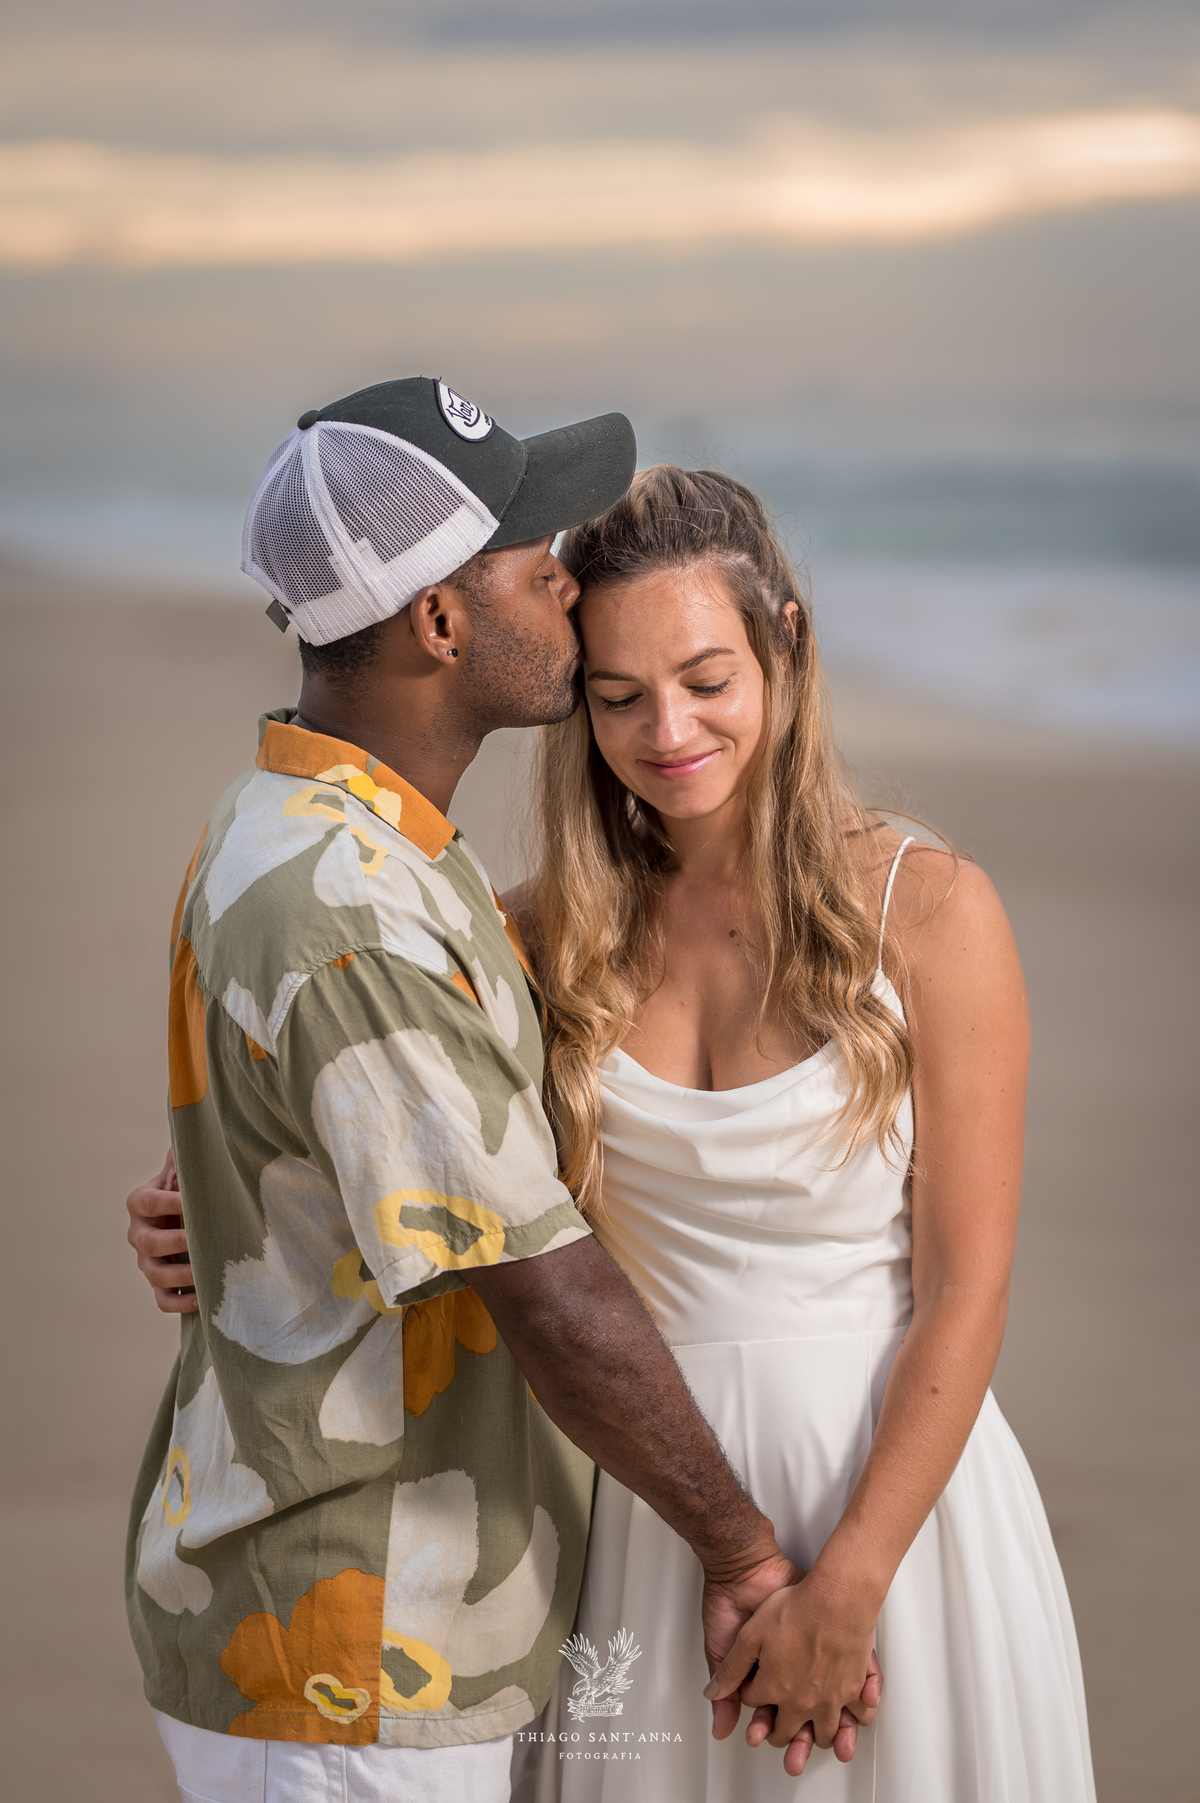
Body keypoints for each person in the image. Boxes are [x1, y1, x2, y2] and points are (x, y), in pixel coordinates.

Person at [123, 383, 879, 1803]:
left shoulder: (323, 829)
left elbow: (316, 1123)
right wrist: (748, 1556)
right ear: (442, 624)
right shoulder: (354, 903)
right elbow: (548, 1290)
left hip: (349, 1608)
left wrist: (216, 1205)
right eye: (541, 565)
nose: (574, 581)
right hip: (355, 1637)